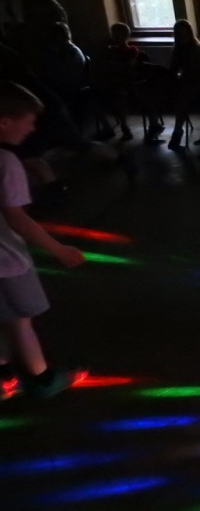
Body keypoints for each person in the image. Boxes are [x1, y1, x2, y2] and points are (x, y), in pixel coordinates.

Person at [0, 81, 85, 400]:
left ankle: (4, 378)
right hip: (8, 261)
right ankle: (43, 379)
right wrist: (59, 249)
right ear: (4, 122)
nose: (32, 128)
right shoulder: (6, 163)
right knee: (22, 320)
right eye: (29, 121)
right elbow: (17, 218)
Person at [168, 20, 200, 152]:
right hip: (190, 84)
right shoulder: (179, 50)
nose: (182, 37)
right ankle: (177, 132)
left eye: (184, 34)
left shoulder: (197, 50)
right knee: (181, 96)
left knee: (182, 99)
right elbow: (174, 71)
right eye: (179, 34)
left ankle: (177, 133)